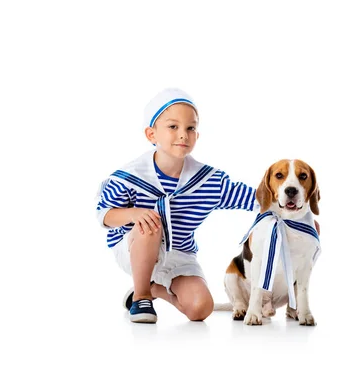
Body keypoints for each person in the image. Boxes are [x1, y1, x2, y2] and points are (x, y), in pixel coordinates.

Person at [95, 88, 257, 324]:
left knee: (201, 308)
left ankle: (154, 289)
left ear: (197, 135)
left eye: (190, 128)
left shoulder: (207, 181)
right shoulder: (129, 176)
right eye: (173, 127)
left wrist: (293, 210)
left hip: (179, 254)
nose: (183, 134)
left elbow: (253, 198)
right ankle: (141, 296)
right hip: (134, 247)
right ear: (152, 134)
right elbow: (104, 214)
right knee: (150, 222)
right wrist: (134, 213)